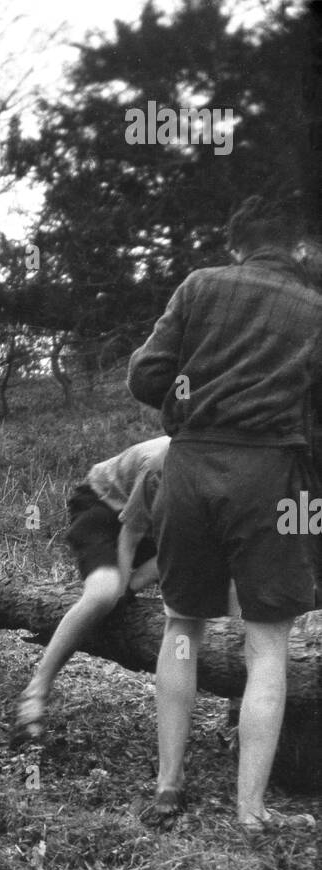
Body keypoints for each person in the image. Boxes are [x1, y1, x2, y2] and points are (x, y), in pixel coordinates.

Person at [127, 195, 322, 837]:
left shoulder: (201, 285)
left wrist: (198, 387)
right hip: (271, 473)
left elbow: (147, 376)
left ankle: (167, 786)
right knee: (268, 642)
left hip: (189, 469)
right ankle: (250, 811)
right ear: (298, 247)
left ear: (236, 243)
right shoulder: (314, 308)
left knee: (182, 625)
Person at [13, 437, 171, 743]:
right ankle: (36, 690)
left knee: (173, 557)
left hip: (146, 521)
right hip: (101, 505)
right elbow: (131, 535)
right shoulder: (162, 463)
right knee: (104, 595)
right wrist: (121, 590)